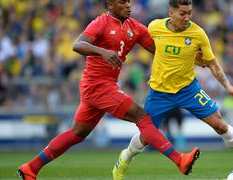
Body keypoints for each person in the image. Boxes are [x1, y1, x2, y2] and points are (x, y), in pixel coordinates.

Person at [17, 0, 201, 179]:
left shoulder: (135, 28)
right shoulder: (101, 23)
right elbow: (78, 45)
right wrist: (102, 51)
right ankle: (179, 160)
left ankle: (30, 168)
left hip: (101, 87)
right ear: (110, 5)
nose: (128, 5)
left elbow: (160, 50)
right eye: (122, 2)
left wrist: (191, 56)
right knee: (141, 116)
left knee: (77, 133)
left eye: (129, 2)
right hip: (97, 85)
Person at [112, 0, 233, 179]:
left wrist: (228, 86)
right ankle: (124, 158)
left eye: (190, 12)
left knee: (220, 125)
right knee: (145, 137)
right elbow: (146, 45)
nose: (187, 17)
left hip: (188, 89)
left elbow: (212, 64)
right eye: (182, 13)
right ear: (171, 13)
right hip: (160, 92)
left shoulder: (198, 33)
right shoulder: (155, 27)